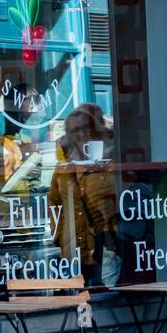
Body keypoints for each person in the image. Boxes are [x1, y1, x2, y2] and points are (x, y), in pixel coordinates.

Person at [49, 103, 121, 285]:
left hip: (104, 248)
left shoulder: (111, 160)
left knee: (103, 295)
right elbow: (53, 202)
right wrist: (58, 236)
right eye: (75, 131)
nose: (81, 134)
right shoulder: (64, 167)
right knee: (75, 298)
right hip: (73, 249)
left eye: (85, 128)